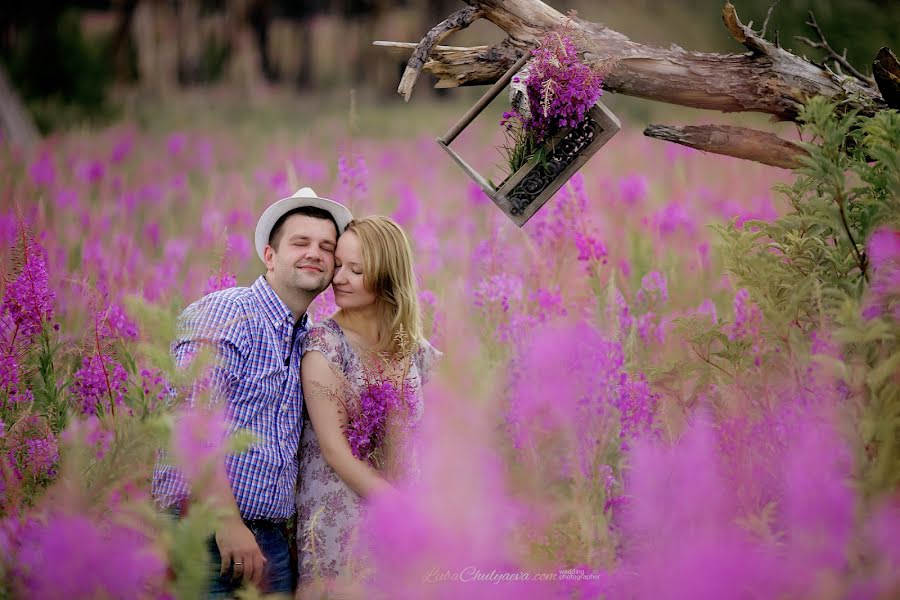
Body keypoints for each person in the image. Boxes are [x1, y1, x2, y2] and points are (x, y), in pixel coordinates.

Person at [151, 187, 352, 598]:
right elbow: (193, 424)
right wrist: (227, 522)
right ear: (269, 255)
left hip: (270, 546)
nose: (315, 252)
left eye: (326, 247)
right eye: (300, 242)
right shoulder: (229, 313)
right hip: (206, 533)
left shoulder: (309, 341)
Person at [295, 216, 440, 597]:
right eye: (338, 265)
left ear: (388, 275)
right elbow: (335, 451)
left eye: (356, 270)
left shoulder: (416, 350)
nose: (339, 278)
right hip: (343, 525)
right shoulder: (324, 345)